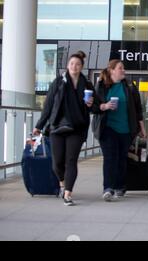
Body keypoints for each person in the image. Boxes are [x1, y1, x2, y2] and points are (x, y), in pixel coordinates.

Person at [33, 51, 94, 206]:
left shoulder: (86, 85)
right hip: (57, 127)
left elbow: (96, 106)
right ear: (68, 65)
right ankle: (62, 183)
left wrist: (91, 104)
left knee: (71, 161)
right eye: (72, 63)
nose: (74, 66)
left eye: (78, 64)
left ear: (82, 67)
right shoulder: (58, 82)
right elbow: (48, 107)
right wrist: (39, 126)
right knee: (57, 163)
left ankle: (68, 193)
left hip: (77, 128)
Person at [92, 60, 146, 202]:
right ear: (112, 71)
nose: (124, 70)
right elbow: (94, 107)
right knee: (110, 157)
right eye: (120, 68)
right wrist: (105, 106)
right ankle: (108, 188)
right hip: (107, 127)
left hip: (126, 129)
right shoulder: (102, 86)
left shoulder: (129, 86)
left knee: (121, 158)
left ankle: (120, 186)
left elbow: (138, 108)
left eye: (123, 68)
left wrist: (142, 128)